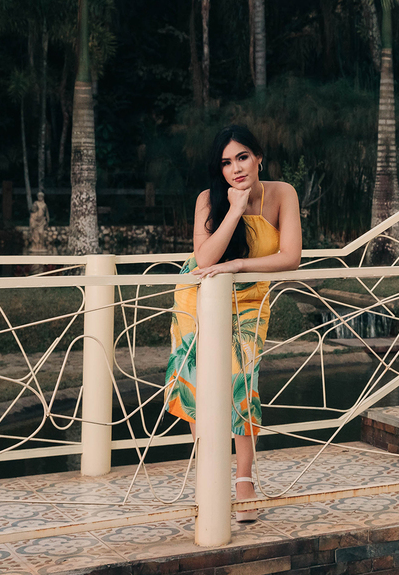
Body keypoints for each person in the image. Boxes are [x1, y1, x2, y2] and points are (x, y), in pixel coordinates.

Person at [164, 125, 301, 522]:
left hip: (250, 299)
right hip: (201, 295)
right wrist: (236, 209)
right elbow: (205, 259)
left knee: (242, 383)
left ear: (259, 157)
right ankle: (209, 478)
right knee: (196, 386)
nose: (236, 169)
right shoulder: (208, 199)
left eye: (242, 157)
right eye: (226, 163)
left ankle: (244, 480)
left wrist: (239, 265)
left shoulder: (283, 194)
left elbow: (291, 257)